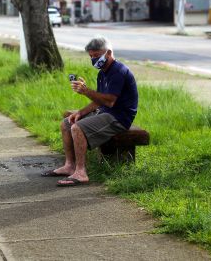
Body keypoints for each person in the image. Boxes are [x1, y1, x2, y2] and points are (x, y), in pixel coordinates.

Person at [41, 37, 138, 187]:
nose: (93, 59)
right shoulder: (103, 73)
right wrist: (80, 112)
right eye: (91, 56)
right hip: (106, 112)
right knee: (67, 123)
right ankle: (69, 166)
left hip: (119, 117)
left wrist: (86, 91)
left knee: (77, 128)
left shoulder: (118, 71)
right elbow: (100, 100)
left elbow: (109, 101)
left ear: (108, 53)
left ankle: (81, 172)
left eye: (96, 55)